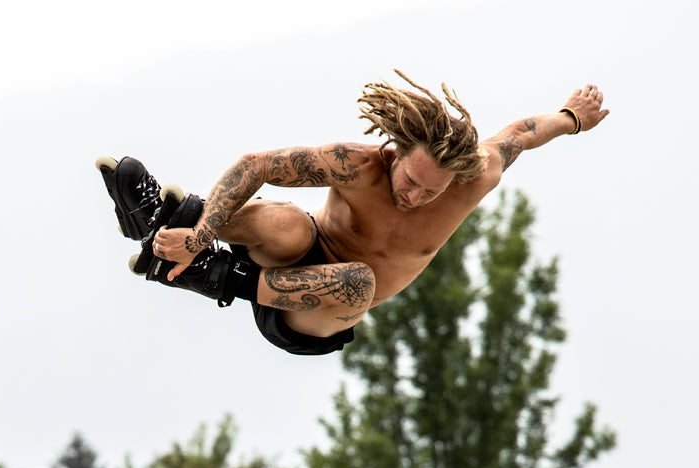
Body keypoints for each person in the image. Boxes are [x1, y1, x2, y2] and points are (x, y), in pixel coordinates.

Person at [142, 70, 608, 356]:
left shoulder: (478, 174)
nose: (415, 196)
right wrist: (201, 234)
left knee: (358, 282)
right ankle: (176, 223)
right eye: (410, 181)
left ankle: (214, 274)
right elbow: (256, 165)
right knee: (287, 222)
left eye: (431, 191)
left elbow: (521, 133)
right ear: (396, 152)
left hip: (318, 313)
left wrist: (572, 119)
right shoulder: (358, 164)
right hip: (290, 252)